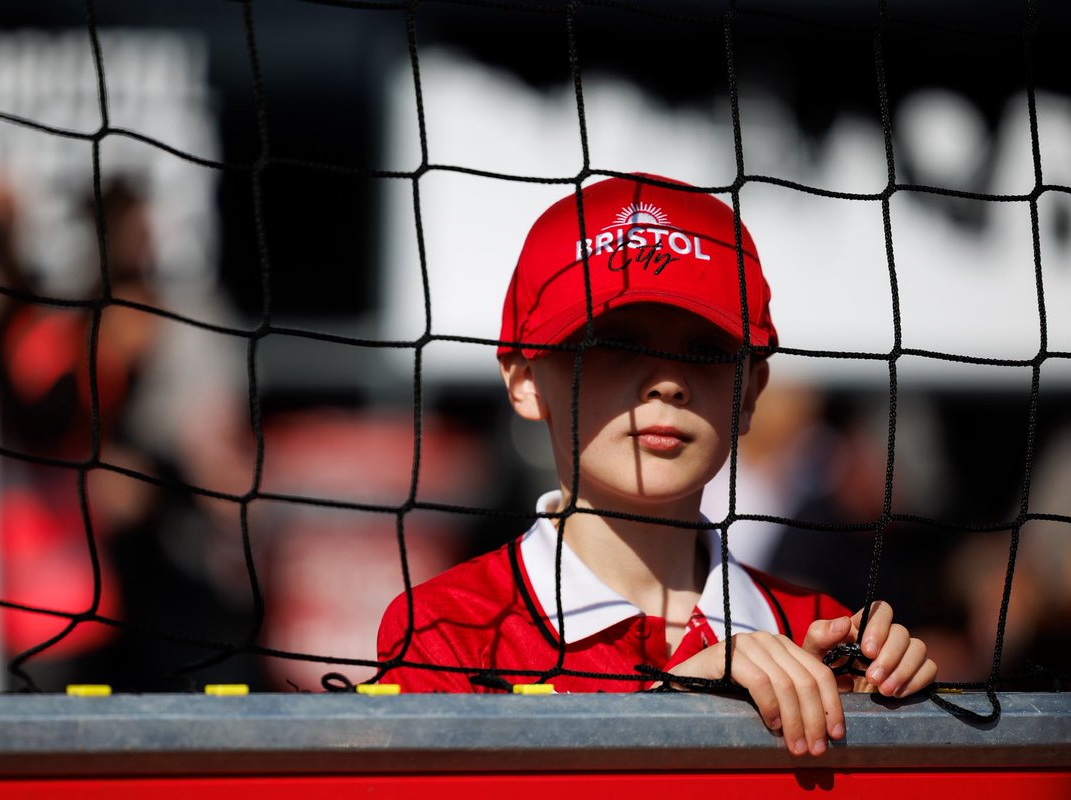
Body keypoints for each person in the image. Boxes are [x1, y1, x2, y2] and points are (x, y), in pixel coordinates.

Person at [375, 174, 936, 757]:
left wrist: (892, 721)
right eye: (613, 343)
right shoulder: (445, 629)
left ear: (749, 392)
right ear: (523, 380)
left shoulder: (821, 631)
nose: (667, 380)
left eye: (706, 351)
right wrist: (669, 706)